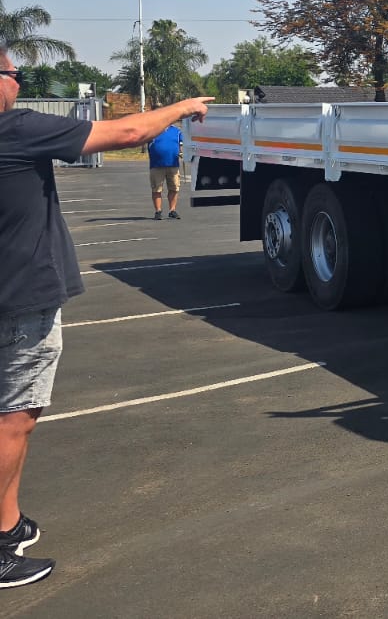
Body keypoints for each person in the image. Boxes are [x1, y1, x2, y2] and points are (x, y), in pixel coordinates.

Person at [0, 47, 211, 588]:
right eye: (13, 75)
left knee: (15, 415)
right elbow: (125, 134)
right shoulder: (15, 130)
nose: (20, 84)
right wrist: (183, 105)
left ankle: (8, 525)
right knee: (14, 418)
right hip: (18, 298)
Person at [148, 124, 183, 220]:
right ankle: (158, 211)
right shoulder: (152, 129)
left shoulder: (177, 131)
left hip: (173, 164)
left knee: (174, 188)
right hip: (156, 165)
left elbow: (181, 145)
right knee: (157, 189)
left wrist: (182, 153)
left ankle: (172, 210)